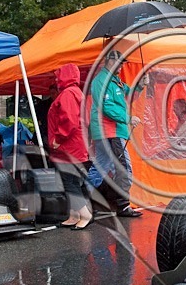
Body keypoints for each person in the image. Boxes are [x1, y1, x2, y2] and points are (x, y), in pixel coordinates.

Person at [88, 50, 147, 217]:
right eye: (119, 62)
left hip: (110, 131)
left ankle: (83, 202)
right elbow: (106, 107)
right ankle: (121, 205)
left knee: (100, 167)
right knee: (124, 169)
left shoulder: (114, 81)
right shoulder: (102, 81)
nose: (121, 66)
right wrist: (128, 118)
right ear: (109, 61)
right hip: (110, 132)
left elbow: (130, 95)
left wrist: (141, 85)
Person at [47, 63, 93, 230]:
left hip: (68, 146)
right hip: (74, 145)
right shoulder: (75, 92)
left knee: (69, 181)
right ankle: (75, 214)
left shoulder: (67, 93)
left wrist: (58, 139)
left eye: (58, 75)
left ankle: (84, 213)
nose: (57, 78)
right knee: (71, 180)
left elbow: (69, 120)